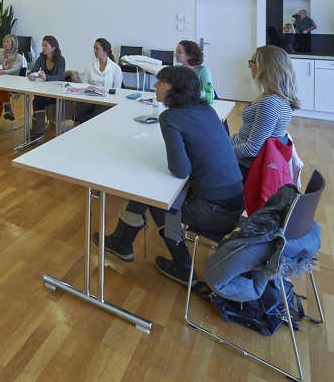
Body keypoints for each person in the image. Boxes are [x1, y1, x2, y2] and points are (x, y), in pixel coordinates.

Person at [93, 67, 244, 284]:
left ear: (176, 89)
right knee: (152, 187)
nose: (155, 85)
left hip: (215, 212)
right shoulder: (207, 109)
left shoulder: (170, 117)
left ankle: (183, 267)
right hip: (234, 201)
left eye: (161, 82)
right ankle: (121, 241)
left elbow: (181, 170)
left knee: (159, 201)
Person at [232, 45, 300, 181]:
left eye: (252, 62)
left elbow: (251, 149)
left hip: (244, 166)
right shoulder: (271, 96)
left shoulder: (271, 103)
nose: (249, 66)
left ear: (264, 67)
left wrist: (222, 149)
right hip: (240, 155)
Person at [75, 38, 123, 124]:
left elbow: (117, 90)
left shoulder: (116, 68)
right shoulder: (89, 66)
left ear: (106, 50)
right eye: (94, 48)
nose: (94, 51)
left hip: (107, 99)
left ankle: (93, 129)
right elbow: (84, 84)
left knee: (97, 113)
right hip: (91, 97)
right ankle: (88, 128)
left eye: (97, 49)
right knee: (78, 110)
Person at [27, 35, 66, 138]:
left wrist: (47, 77)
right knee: (38, 99)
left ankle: (37, 129)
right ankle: (40, 127)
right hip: (44, 92)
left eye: (46, 46)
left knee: (37, 100)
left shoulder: (61, 60)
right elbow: (32, 71)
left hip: (56, 93)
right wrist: (31, 75)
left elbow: (61, 76)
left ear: (53, 48)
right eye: (42, 46)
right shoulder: (41, 58)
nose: (43, 48)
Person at [0, 34, 24, 134]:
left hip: (13, 84)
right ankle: (7, 108)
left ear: (13, 43)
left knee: (0, 90)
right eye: (4, 41)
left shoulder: (19, 57)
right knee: (0, 87)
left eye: (8, 41)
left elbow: (14, 70)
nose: (5, 43)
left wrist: (3, 72)